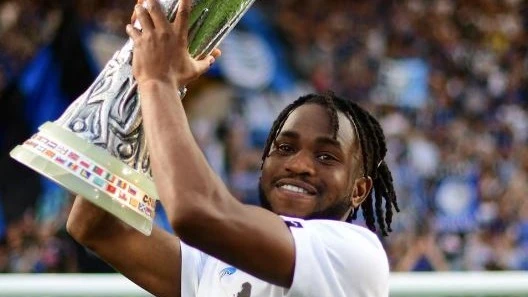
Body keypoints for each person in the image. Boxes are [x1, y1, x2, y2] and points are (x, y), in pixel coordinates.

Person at [66, 0, 400, 296]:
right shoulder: (213, 264)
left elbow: (195, 212)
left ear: (359, 190)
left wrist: (158, 83)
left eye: (326, 156)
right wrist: (142, 86)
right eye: (283, 148)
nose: (299, 164)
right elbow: (96, 226)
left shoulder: (355, 253)